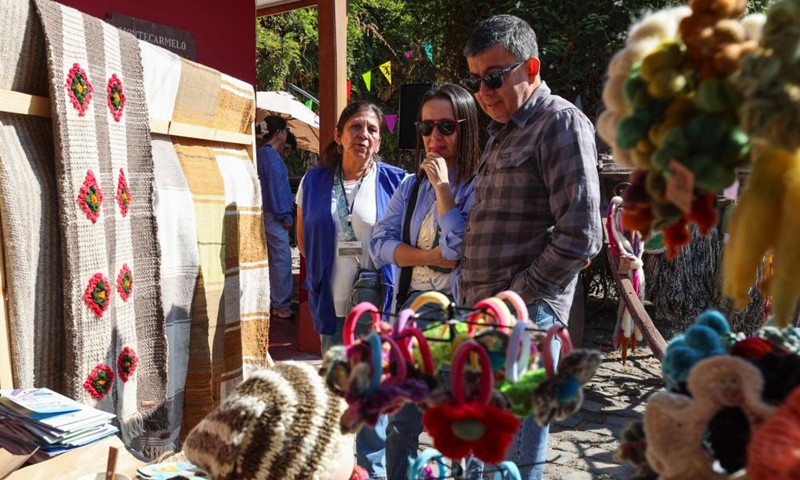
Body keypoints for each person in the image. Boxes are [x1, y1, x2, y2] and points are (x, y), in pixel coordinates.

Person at [459, 14, 603, 480]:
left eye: (494, 77)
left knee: (515, 459)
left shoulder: (559, 122)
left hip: (527, 321)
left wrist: (516, 297)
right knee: (486, 452)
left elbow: (581, 236)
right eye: (475, 79)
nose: (483, 90)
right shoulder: (503, 131)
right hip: (486, 315)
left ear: (532, 68)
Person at [370, 83, 480, 480]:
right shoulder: (410, 185)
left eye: (446, 126)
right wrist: (426, 257)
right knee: (403, 419)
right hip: (412, 311)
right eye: (426, 126)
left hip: (459, 315)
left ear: (467, 129)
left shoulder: (479, 184)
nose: (434, 137)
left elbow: (457, 249)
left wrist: (444, 188)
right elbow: (380, 243)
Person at [296, 100, 406, 480]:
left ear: (379, 139)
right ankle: (339, 468)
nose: (364, 135)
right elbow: (303, 238)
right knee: (337, 393)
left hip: (377, 305)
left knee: (371, 393)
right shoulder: (314, 181)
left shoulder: (397, 181)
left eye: (372, 129)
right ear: (338, 135)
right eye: (356, 127)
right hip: (332, 302)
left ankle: (371, 471)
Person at [257, 115, 295, 322]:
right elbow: (277, 189)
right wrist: (285, 214)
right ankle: (281, 304)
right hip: (274, 214)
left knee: (270, 259)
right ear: (280, 133)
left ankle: (274, 302)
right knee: (281, 259)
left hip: (264, 212)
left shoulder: (261, 154)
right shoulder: (270, 157)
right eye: (286, 130)